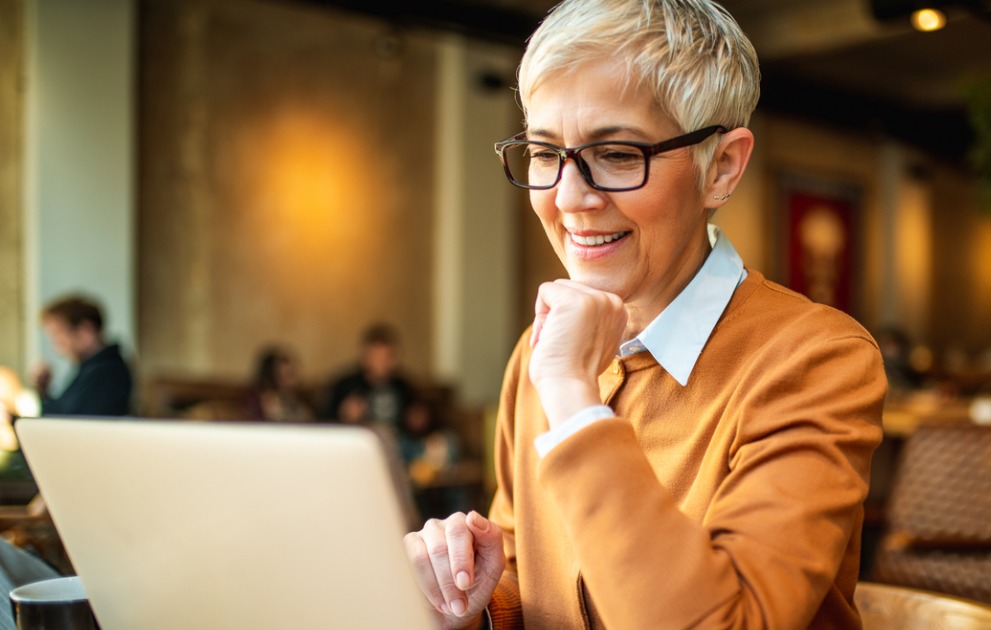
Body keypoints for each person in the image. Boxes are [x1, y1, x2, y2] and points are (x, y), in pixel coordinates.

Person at [404, 2, 887, 628]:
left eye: (619, 155)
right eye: (546, 154)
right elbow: (528, 575)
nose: (570, 199)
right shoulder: (541, 352)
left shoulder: (815, 360)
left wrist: (574, 401)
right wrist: (473, 602)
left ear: (722, 167)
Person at [32, 296, 133, 417]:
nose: (56, 345)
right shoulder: (91, 368)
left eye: (58, 334)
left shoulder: (106, 372)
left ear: (85, 331)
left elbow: (66, 423)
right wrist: (43, 390)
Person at [323, 323, 417, 430]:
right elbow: (325, 421)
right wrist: (345, 415)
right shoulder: (346, 386)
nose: (383, 363)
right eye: (378, 357)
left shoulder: (403, 387)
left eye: (388, 356)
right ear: (365, 356)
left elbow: (415, 420)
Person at [245, 346, 315, 422]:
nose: (294, 379)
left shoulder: (299, 399)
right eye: (287, 375)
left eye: (293, 373)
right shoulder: (267, 400)